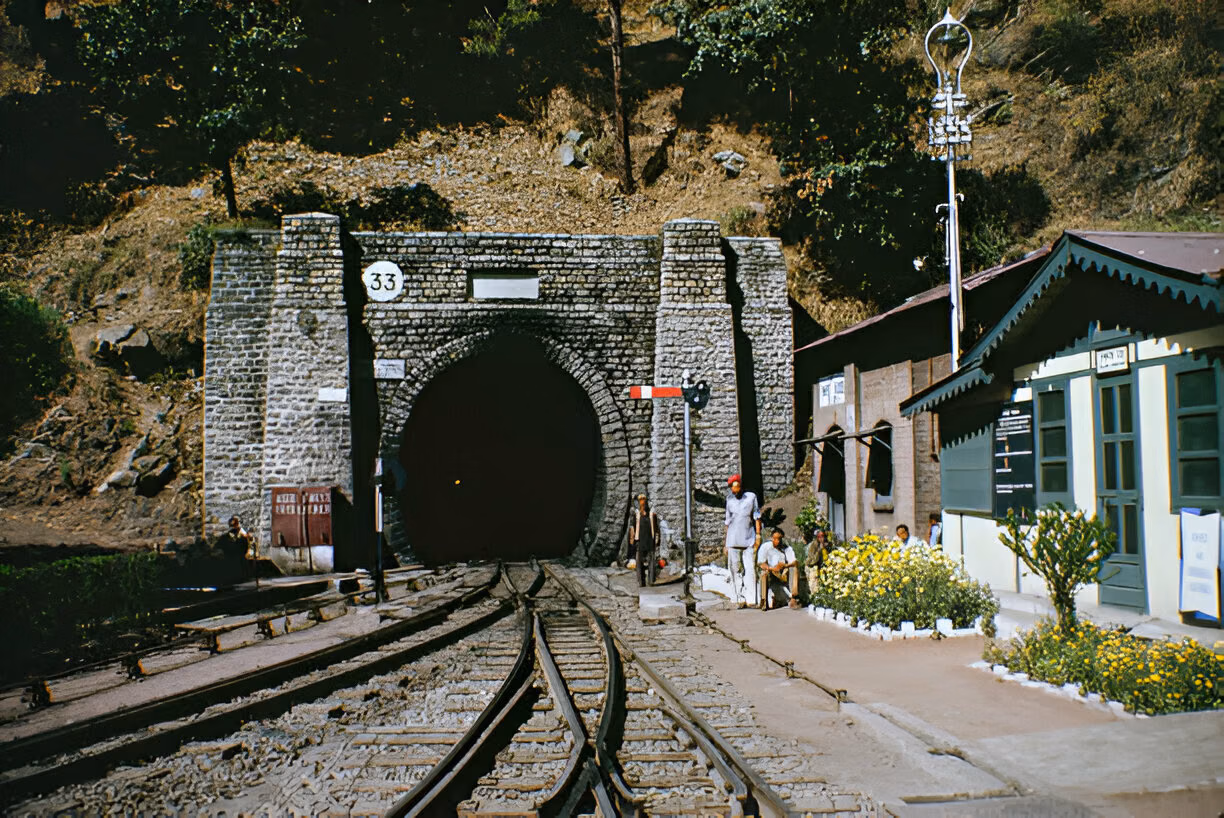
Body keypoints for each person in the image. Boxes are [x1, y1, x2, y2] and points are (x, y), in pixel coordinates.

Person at [724, 474, 761, 609]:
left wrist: (758, 535)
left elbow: (756, 515)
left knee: (750, 568)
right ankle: (739, 598)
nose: (736, 491)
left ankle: (752, 599)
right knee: (735, 569)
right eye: (733, 489)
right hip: (733, 539)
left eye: (738, 487)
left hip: (748, 538)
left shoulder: (750, 497)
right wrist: (725, 544)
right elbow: (727, 522)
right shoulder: (729, 500)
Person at [758, 529, 800, 609]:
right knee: (764, 573)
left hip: (783, 573)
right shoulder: (765, 547)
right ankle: (764, 600)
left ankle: (794, 597)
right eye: (775, 538)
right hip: (770, 571)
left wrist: (785, 565)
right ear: (771, 538)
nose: (777, 541)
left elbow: (794, 562)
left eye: (779, 539)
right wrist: (772, 569)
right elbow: (761, 563)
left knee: (794, 568)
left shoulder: (787, 548)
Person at [628, 493, 659, 587]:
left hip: (650, 540)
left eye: (644, 500)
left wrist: (657, 540)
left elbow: (656, 528)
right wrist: (632, 540)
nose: (642, 503)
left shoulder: (651, 514)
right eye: (640, 501)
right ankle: (641, 582)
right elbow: (632, 528)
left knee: (651, 562)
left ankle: (651, 581)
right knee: (639, 562)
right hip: (640, 541)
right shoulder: (636, 514)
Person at [215, 515, 254, 583]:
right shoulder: (226, 537)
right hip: (231, 563)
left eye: (236, 524)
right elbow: (218, 548)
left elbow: (251, 550)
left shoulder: (245, 537)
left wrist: (249, 553)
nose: (235, 527)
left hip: (240, 563)